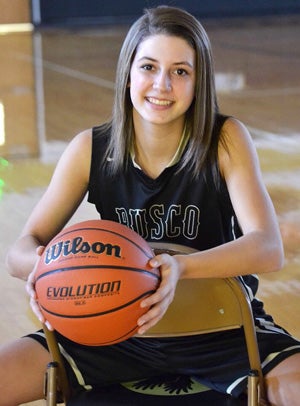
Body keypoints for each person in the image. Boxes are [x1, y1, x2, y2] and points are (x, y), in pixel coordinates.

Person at [2, 5, 300, 406]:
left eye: (180, 71)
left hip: (218, 327)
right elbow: (21, 249)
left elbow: (268, 247)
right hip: (112, 331)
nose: (161, 84)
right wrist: (43, 269)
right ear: (128, 73)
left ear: (199, 82)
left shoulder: (224, 140)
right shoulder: (90, 150)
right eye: (148, 67)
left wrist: (179, 267)